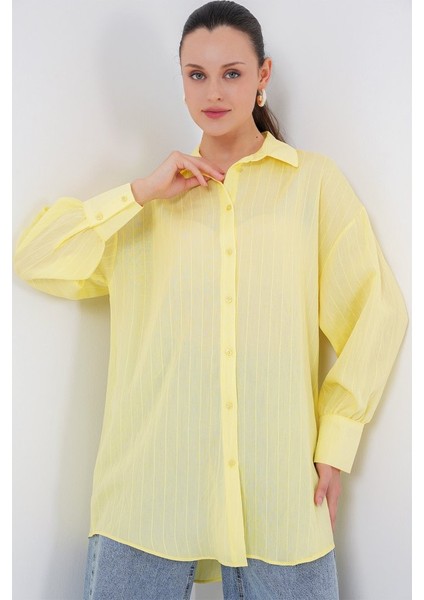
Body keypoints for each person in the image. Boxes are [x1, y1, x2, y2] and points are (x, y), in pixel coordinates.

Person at [13, 1, 408, 599]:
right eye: (196, 74)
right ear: (181, 80)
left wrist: (336, 442)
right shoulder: (148, 204)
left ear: (262, 75)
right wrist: (139, 193)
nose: (214, 91)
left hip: (281, 494)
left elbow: (377, 311)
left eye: (232, 73)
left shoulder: (313, 185)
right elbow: (35, 258)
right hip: (148, 497)